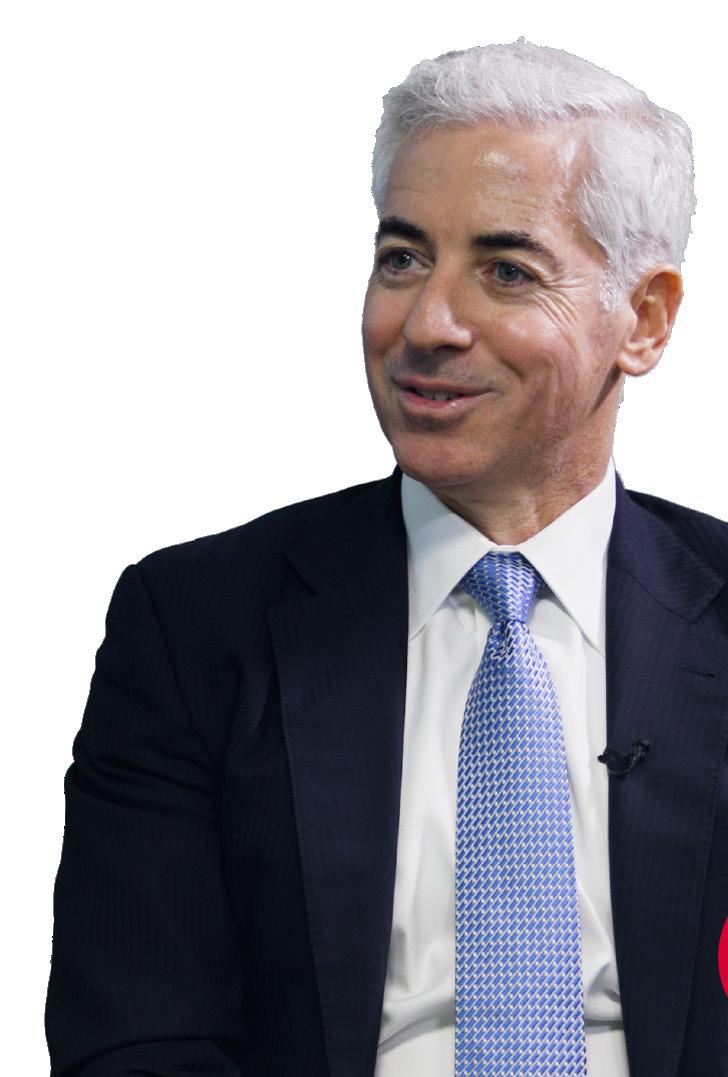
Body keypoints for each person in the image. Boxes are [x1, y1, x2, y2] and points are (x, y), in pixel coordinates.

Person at [45, 41, 728, 1077]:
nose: (425, 323)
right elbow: (136, 1038)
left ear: (643, 319)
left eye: (505, 271)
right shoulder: (192, 626)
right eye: (402, 258)